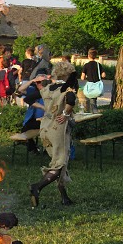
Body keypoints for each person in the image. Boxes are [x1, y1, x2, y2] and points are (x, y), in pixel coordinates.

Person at [29, 61, 78, 207]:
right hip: (58, 129)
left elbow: (29, 98)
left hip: (45, 129)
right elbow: (71, 101)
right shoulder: (67, 88)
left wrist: (46, 109)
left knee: (59, 163)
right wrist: (64, 113)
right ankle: (37, 187)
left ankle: (64, 197)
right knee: (59, 163)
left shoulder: (48, 87)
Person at [81, 48, 106, 113]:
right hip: (97, 85)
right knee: (93, 100)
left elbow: (82, 77)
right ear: (95, 56)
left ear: (88, 55)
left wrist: (87, 76)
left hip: (90, 85)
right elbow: (103, 75)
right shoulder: (98, 65)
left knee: (92, 101)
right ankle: (92, 112)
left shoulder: (86, 65)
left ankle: (94, 113)